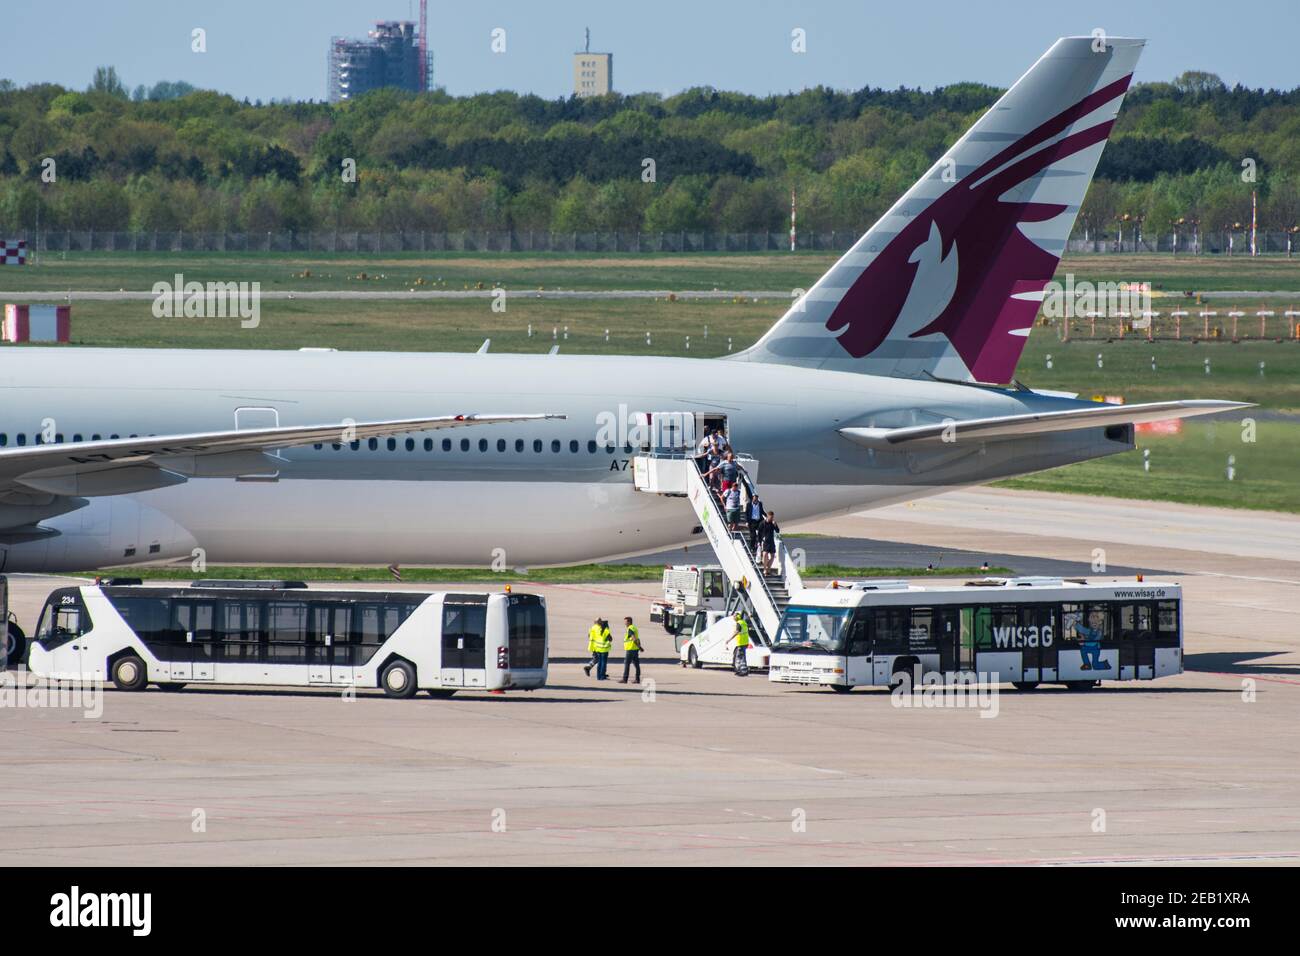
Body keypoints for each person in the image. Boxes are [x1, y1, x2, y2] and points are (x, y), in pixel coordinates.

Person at [620, 616, 643, 684]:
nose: (625, 623)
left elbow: (634, 638)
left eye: (626, 622)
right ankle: (637, 679)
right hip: (635, 649)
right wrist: (639, 647)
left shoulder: (630, 629)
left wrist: (639, 647)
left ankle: (625, 679)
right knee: (636, 665)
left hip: (630, 649)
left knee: (627, 664)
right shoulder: (634, 627)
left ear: (629, 622)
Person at [747, 490, 764, 554]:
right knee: (753, 536)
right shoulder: (749, 504)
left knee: (760, 534)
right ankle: (752, 547)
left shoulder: (760, 503)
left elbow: (762, 511)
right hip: (752, 522)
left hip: (759, 521)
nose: (755, 498)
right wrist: (747, 521)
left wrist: (766, 516)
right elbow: (747, 513)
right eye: (754, 497)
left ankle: (758, 546)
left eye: (756, 497)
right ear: (752, 497)